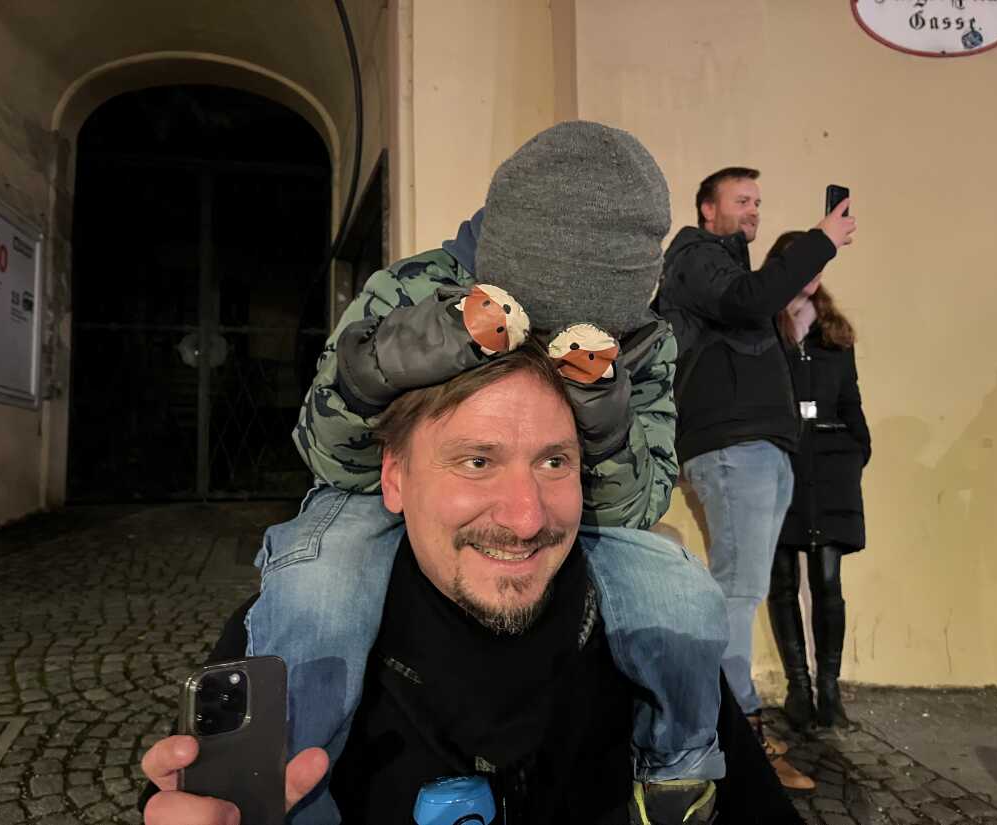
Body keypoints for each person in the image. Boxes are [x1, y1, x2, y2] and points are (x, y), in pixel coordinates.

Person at [247, 122, 729, 823]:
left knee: (681, 593)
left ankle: (677, 768)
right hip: (375, 487)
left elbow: (638, 503)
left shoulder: (644, 342)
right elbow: (324, 451)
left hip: (569, 502)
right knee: (317, 587)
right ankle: (281, 786)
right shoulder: (410, 289)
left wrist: (603, 416)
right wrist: (393, 362)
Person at [140, 344, 803, 824]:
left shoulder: (657, 641)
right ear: (394, 478)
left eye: (554, 461)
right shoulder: (285, 640)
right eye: (477, 461)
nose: (526, 517)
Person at [656, 167, 856, 788]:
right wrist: (819, 242)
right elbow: (746, 300)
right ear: (707, 209)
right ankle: (739, 736)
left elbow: (751, 313)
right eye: (741, 200)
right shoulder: (694, 255)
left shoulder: (732, 276)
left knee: (739, 590)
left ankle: (729, 732)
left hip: (761, 448)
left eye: (758, 202)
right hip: (732, 447)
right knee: (737, 595)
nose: (753, 211)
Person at [764, 231, 871, 732]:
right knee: (782, 581)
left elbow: (851, 402)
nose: (813, 271)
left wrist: (856, 450)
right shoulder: (763, 328)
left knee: (828, 581)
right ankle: (798, 690)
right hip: (780, 463)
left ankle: (830, 691)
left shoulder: (833, 333)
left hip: (830, 468)